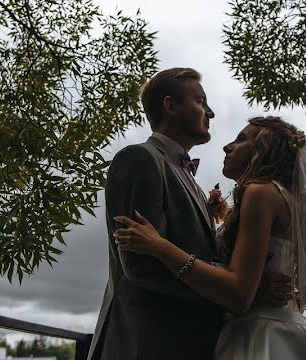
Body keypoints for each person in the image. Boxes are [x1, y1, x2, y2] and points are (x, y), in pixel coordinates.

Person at [114, 116, 306, 360]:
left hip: (257, 337)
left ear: (262, 150)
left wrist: (160, 246)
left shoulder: (259, 192)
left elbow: (239, 294)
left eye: (241, 139)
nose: (228, 146)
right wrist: (225, 222)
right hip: (284, 329)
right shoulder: (287, 198)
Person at [88, 69, 292, 360]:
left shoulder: (194, 184)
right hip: (146, 344)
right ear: (170, 106)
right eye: (201, 102)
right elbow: (140, 266)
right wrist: (246, 293)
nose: (210, 112)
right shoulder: (139, 159)